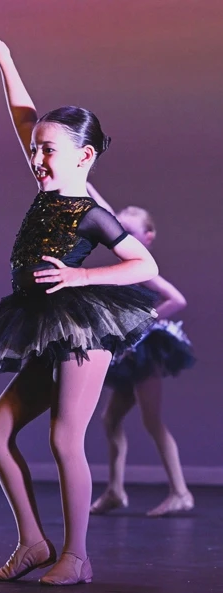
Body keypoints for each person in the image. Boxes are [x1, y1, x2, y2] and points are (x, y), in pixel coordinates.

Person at [0, 38, 158, 586]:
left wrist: (82, 276)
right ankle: (33, 541)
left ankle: (78, 556)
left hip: (81, 325)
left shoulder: (90, 210)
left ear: (83, 156)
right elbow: (24, 116)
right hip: (42, 323)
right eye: (34, 149)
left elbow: (143, 263)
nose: (36, 157)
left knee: (64, 438)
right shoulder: (45, 185)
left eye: (48, 150)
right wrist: (5, 60)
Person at [90, 203, 195, 517]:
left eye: (130, 233)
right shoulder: (127, 267)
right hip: (129, 354)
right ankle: (115, 489)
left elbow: (178, 299)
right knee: (110, 419)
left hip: (146, 352)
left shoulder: (145, 269)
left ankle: (181, 492)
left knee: (152, 422)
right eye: (119, 232)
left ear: (148, 237)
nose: (122, 238)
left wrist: (145, 319)